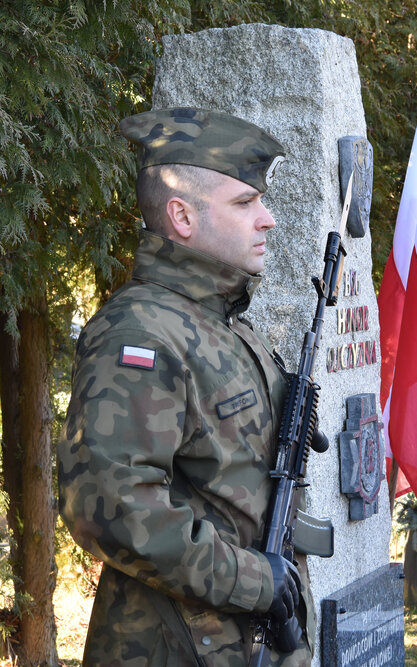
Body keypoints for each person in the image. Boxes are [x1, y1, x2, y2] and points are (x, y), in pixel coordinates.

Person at [58, 108, 312, 666]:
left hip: (246, 639)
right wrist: (253, 581)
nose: (266, 219)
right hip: (175, 645)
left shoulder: (221, 323)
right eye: (245, 203)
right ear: (182, 215)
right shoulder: (140, 334)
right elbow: (109, 505)